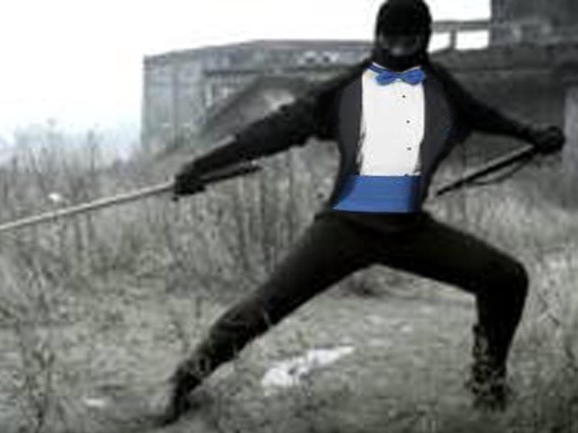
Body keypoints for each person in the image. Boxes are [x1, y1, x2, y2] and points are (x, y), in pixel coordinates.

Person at [150, 0, 565, 425]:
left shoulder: (441, 87)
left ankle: (488, 385)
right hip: (344, 227)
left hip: (409, 230)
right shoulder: (348, 88)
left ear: (424, 41)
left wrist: (534, 134)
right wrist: (201, 166)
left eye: (409, 42)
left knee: (506, 278)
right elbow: (273, 130)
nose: (398, 51)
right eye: (389, 41)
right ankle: (181, 382)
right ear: (376, 38)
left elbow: (484, 116)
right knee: (265, 305)